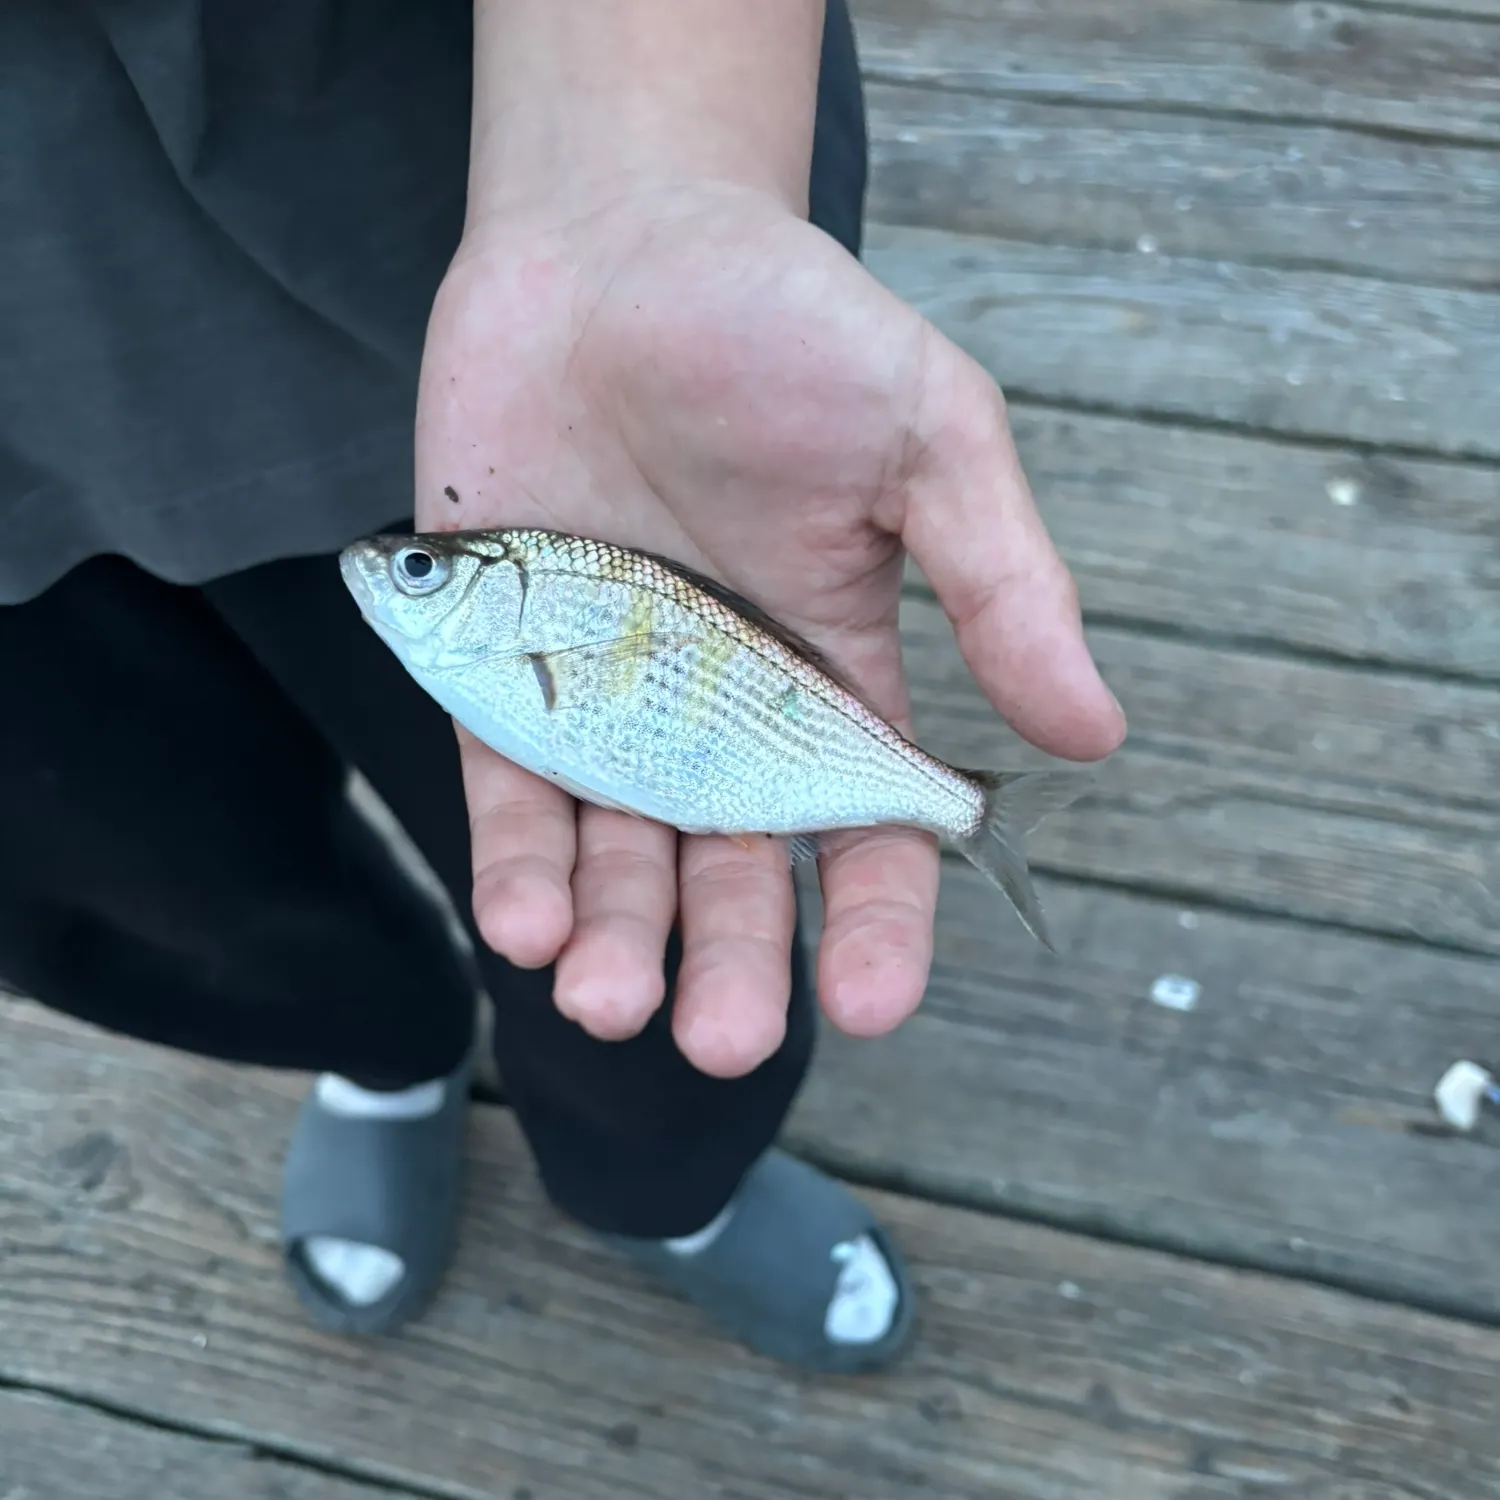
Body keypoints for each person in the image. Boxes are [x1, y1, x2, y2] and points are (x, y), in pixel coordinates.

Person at [0, 1, 1124, 1373]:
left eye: (430, 574)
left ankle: (670, 1183)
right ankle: (373, 1043)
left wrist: (653, 155)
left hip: (408, 279)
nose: (403, 575)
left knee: (621, 932)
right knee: (136, 861)